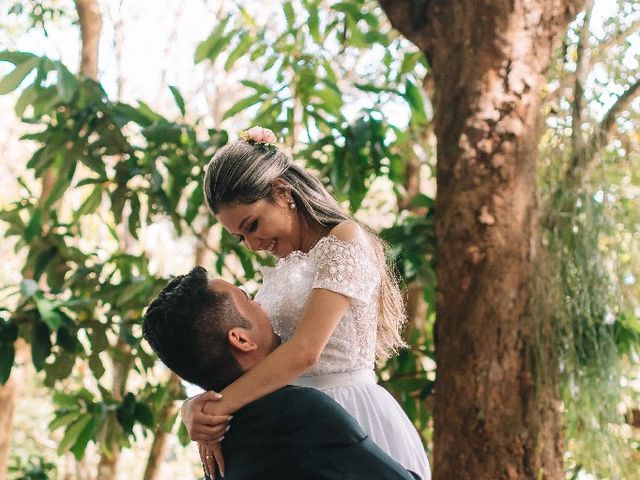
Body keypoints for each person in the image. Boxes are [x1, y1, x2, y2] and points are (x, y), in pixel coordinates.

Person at [183, 126, 430, 480]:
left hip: (349, 416)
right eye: (241, 237)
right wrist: (195, 408)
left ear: (282, 192)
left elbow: (305, 351)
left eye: (252, 225)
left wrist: (218, 410)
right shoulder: (287, 266)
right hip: (293, 424)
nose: (252, 244)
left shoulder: (345, 239)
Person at [142, 267, 420, 480]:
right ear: (241, 339)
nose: (262, 304)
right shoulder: (300, 413)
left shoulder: (216, 441)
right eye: (248, 300)